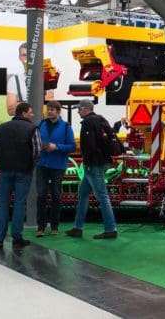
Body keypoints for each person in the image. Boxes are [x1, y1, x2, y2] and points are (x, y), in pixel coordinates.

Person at [65, 100, 119, 240]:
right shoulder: (101, 119)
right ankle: (77, 227)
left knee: (102, 196)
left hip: (93, 164)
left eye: (79, 109)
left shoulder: (89, 122)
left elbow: (89, 145)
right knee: (82, 194)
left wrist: (87, 163)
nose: (78, 112)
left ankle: (110, 228)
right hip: (102, 162)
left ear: (86, 109)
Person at [0, 102, 41, 248]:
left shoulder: (3, 127)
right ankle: (17, 237)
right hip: (23, 172)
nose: (32, 115)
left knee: (3, 204)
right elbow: (37, 151)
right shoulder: (32, 129)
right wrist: (31, 164)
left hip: (5, 170)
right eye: (30, 112)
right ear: (24, 113)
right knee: (19, 204)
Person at [35, 101, 75, 237]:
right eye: (48, 109)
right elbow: (35, 141)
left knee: (56, 196)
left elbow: (72, 146)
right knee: (41, 196)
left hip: (58, 166)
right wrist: (41, 146)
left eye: (52, 110)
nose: (49, 112)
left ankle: (54, 226)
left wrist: (56, 147)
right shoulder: (41, 125)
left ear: (58, 111)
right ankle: (40, 227)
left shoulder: (66, 127)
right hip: (42, 165)